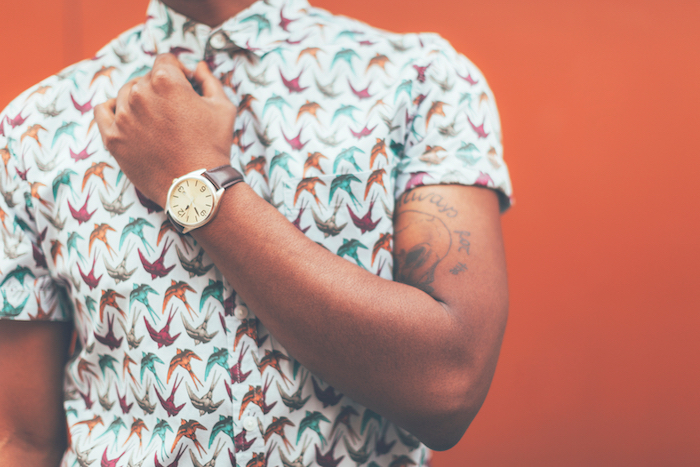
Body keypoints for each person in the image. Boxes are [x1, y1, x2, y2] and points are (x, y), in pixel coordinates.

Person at [0, 0, 513, 465]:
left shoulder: (420, 83)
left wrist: (193, 178)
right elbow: (25, 439)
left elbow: (448, 385)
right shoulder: (33, 129)